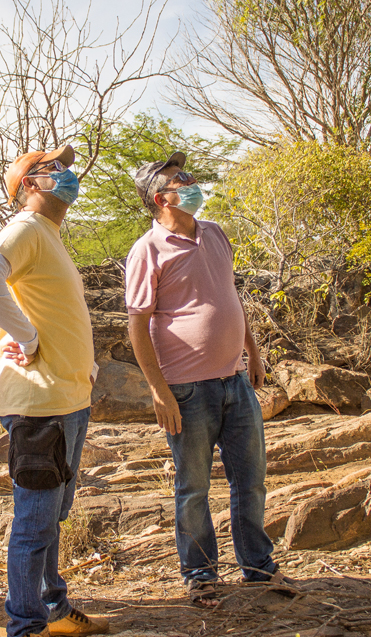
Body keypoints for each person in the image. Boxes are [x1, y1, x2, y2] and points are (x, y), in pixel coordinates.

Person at [124, 151, 296, 608]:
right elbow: (137, 324)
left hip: (234, 381)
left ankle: (259, 567)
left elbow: (229, 296)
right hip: (186, 389)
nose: (191, 182)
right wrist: (159, 391)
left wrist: (252, 352)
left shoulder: (215, 233)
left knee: (251, 480)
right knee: (193, 487)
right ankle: (200, 575)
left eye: (188, 175)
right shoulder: (147, 250)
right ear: (161, 198)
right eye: (180, 179)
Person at [0, 145, 108, 637]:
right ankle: (25, 626)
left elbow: (52, 308)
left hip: (68, 397)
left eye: (66, 166)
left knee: (50, 519)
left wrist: (85, 365)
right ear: (28, 185)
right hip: (40, 403)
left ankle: (54, 608)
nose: (66, 174)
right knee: (34, 523)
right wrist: (24, 338)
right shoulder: (26, 227)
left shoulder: (49, 235)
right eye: (53, 168)